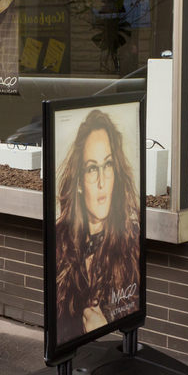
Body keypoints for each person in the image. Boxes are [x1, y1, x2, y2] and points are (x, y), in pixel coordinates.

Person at [54, 109, 140, 345]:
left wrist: (103, 332)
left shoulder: (131, 243)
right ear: (79, 183)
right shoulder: (60, 243)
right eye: (92, 168)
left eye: (108, 165)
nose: (102, 181)